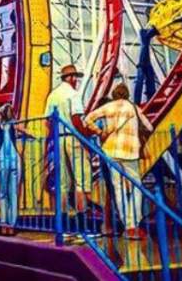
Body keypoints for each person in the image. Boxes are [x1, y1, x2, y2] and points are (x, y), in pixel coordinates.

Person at [78, 83, 153, 239]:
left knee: (117, 188)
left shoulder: (109, 107)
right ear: (127, 94)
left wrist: (99, 131)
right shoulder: (133, 107)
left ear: (114, 94)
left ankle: (128, 225)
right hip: (130, 152)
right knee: (136, 186)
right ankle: (134, 223)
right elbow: (150, 127)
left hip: (111, 151)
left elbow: (87, 119)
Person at [45, 64, 91, 216]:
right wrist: (85, 139)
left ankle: (62, 217)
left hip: (58, 139)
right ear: (70, 78)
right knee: (81, 179)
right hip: (73, 137)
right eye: (75, 77)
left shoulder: (53, 95)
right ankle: (82, 216)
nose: (76, 81)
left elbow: (48, 122)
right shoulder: (73, 94)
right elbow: (76, 118)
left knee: (62, 181)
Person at [0, 103, 33, 235]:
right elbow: (28, 132)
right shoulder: (13, 125)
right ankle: (11, 224)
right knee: (12, 193)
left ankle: (5, 224)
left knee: (4, 193)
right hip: (14, 161)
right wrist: (32, 136)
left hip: (5, 161)